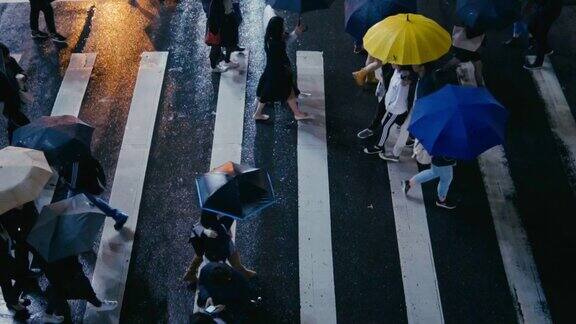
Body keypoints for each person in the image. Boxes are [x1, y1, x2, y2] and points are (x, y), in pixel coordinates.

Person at [253, 16, 312, 121]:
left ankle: (296, 112)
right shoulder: (277, 44)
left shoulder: (270, 38)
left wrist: (296, 32)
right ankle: (297, 113)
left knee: (278, 91)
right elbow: (286, 43)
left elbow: (286, 39)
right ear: (278, 29)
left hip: (272, 69)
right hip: (277, 72)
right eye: (282, 26)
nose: (284, 28)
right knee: (281, 92)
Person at [38, 255, 117, 323]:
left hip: (51, 263)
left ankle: (48, 314)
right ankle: (97, 304)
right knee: (79, 282)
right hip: (62, 262)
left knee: (58, 287)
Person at [183, 211, 255, 284]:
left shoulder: (215, 210)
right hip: (209, 239)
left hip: (209, 236)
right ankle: (247, 276)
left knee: (205, 253)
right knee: (225, 261)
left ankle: (191, 273)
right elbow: (197, 228)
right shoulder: (216, 211)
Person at [363, 65, 413, 162]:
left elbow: (399, 97)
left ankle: (379, 146)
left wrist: (391, 107)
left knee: (385, 126)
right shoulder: (397, 72)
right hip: (394, 106)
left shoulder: (403, 81)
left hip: (396, 109)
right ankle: (408, 140)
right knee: (400, 124)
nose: (391, 63)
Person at [0, 43, 30, 144]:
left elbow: (20, 70)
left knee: (15, 122)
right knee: (18, 122)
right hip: (8, 103)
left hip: (16, 97)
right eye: (6, 58)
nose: (9, 59)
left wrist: (22, 76)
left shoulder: (10, 61)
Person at [206, 0, 244, 73]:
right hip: (220, 25)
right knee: (216, 46)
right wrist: (216, 29)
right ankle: (213, 66)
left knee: (229, 42)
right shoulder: (216, 3)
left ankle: (227, 60)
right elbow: (214, 16)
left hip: (227, 19)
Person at [0, 223, 30, 316]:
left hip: (5, 259)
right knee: (22, 276)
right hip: (3, 261)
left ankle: (12, 300)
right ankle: (13, 300)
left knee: (5, 281)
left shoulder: (3, 221)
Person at [524, 0, 562, 69]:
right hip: (544, 9)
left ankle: (538, 63)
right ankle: (546, 49)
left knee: (540, 36)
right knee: (531, 27)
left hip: (549, 11)